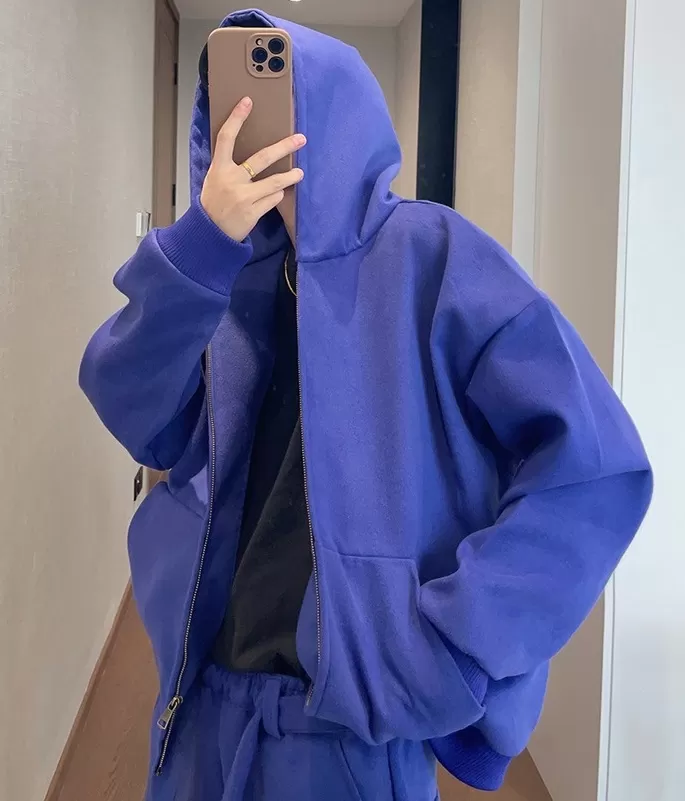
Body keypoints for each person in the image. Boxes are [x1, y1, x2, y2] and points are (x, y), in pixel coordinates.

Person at [80, 10, 652, 801]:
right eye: (228, 102)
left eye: (271, 89)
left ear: (332, 108)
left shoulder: (430, 254)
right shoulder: (220, 272)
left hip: (349, 731)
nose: (247, 116)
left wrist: (455, 643)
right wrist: (203, 243)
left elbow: (595, 470)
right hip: (200, 704)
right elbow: (132, 408)